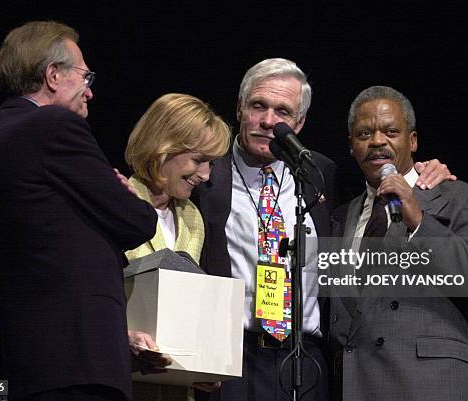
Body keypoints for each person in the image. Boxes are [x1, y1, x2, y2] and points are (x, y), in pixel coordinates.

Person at [191, 59, 454, 401]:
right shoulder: (206, 173)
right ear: (240, 108)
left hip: (308, 359)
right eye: (258, 106)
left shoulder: (319, 173)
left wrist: (425, 172)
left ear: (298, 123)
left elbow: (382, 178)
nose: (268, 121)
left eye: (282, 112)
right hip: (232, 357)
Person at [0, 21, 158, 401]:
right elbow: (137, 223)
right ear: (53, 75)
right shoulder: (52, 126)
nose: (90, 92)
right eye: (85, 76)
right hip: (78, 360)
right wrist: (126, 194)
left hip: (30, 357)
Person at [329, 86, 468, 401]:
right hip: (356, 385)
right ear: (352, 146)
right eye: (364, 133)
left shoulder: (463, 200)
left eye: (391, 131)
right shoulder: (343, 215)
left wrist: (419, 222)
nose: (377, 141)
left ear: (412, 141)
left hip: (429, 384)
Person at [123, 93, 231, 401]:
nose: (206, 175)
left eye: (210, 163)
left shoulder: (192, 218)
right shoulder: (118, 204)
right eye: (198, 161)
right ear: (163, 149)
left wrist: (202, 368)